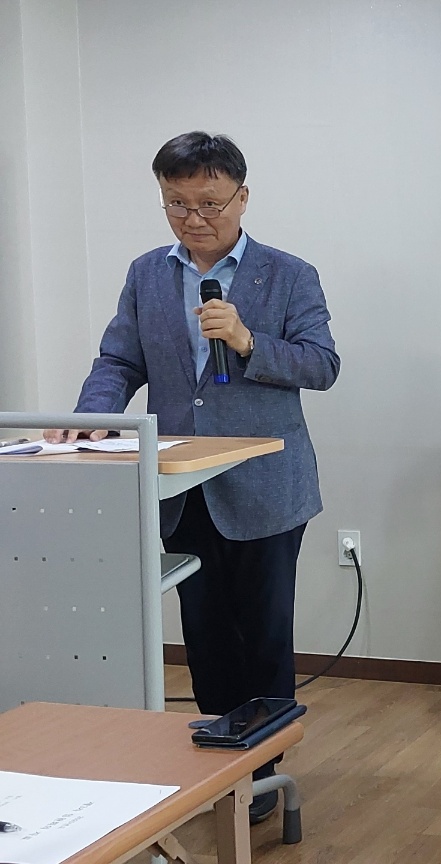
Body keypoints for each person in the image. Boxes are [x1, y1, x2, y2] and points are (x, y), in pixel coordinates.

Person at [48, 131, 339, 824]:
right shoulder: (148, 273)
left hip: (266, 486)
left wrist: (246, 341)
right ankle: (217, 764)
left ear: (242, 197)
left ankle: (261, 774)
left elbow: (322, 364)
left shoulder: (288, 274)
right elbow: (119, 361)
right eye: (176, 203)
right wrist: (93, 420)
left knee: (262, 636)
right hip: (181, 487)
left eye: (209, 203)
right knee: (204, 636)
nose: (193, 218)